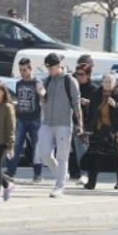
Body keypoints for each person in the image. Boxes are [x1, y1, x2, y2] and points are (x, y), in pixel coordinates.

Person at [36, 52, 82, 198]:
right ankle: (62, 174)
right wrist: (40, 94)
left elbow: (76, 102)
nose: (49, 71)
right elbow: (43, 99)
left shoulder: (70, 81)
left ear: (58, 66)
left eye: (51, 68)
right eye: (47, 68)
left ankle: (59, 186)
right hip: (47, 122)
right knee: (44, 152)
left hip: (64, 123)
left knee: (62, 155)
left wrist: (80, 123)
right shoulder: (47, 81)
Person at [83, 73, 118, 189]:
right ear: (102, 83)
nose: (108, 84)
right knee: (95, 156)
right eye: (106, 82)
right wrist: (88, 127)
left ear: (114, 83)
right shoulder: (96, 94)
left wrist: (116, 105)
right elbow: (91, 111)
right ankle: (91, 182)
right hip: (99, 129)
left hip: (115, 130)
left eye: (110, 82)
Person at [8, 58, 45, 184]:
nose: (22, 73)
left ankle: (38, 174)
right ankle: (11, 172)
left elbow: (43, 96)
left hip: (35, 118)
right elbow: (20, 100)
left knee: (36, 147)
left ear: (30, 69)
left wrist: (41, 93)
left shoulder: (37, 82)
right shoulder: (19, 84)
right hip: (22, 118)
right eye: (20, 70)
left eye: (24, 70)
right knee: (16, 144)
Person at [71, 62, 99, 185]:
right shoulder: (74, 86)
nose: (79, 77)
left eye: (81, 74)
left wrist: (87, 102)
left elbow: (98, 106)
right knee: (78, 150)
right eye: (77, 74)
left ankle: (86, 174)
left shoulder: (93, 89)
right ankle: (81, 173)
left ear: (88, 75)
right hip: (74, 121)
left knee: (84, 149)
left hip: (88, 123)